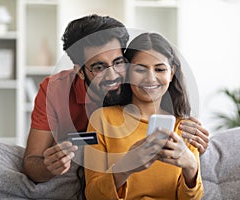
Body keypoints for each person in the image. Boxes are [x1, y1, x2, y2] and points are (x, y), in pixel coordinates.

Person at [22, 14, 208, 198]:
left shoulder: (146, 87)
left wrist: (195, 151)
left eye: (118, 62)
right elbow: (32, 161)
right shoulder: (57, 91)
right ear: (80, 72)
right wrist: (48, 167)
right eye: (99, 67)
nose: (112, 76)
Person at [84, 32, 203, 199]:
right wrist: (125, 167)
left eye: (160, 69)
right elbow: (92, 195)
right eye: (140, 69)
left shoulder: (184, 127)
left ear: (171, 73)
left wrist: (191, 167)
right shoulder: (102, 119)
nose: (150, 78)